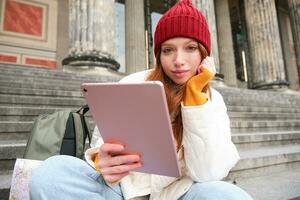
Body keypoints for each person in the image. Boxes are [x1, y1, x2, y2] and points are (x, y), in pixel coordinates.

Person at [29, 0, 253, 199]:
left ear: (204, 53)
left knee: (227, 194)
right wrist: (101, 160)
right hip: (121, 190)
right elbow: (102, 140)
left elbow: (208, 173)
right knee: (50, 174)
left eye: (190, 48)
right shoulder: (134, 82)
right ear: (159, 54)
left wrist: (195, 97)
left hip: (178, 194)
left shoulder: (213, 101)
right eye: (168, 50)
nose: (178, 60)